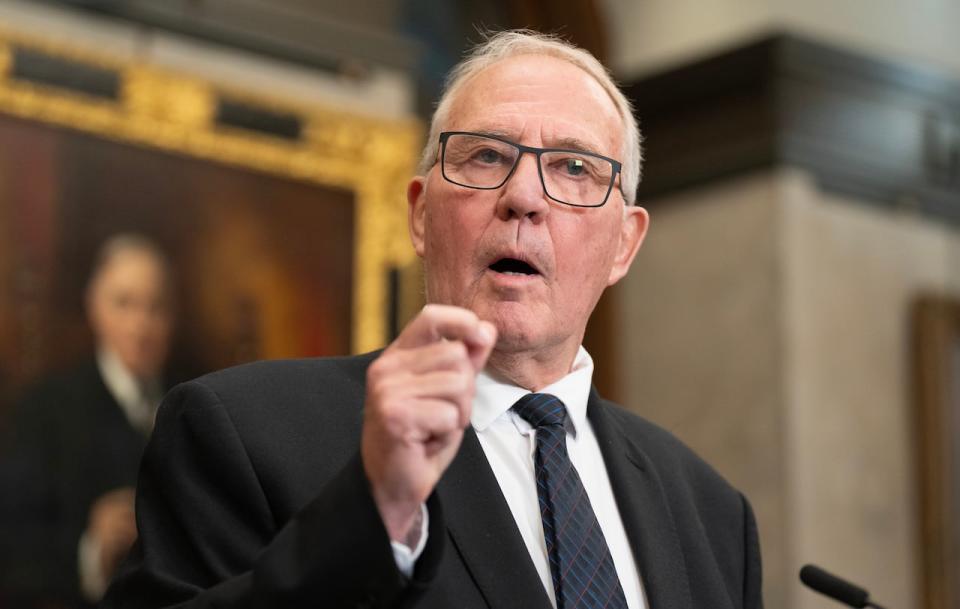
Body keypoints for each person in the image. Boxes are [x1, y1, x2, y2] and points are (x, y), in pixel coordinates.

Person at [103, 31, 763, 609]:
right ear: (420, 215)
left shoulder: (710, 513)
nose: (524, 198)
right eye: (485, 156)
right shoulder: (242, 432)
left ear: (624, 243)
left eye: (574, 166)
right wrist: (373, 518)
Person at [0, 234, 176, 608]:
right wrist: (92, 548)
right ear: (94, 306)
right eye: (124, 303)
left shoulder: (193, 402)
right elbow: (14, 545)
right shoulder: (46, 408)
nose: (140, 326)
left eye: (155, 307)